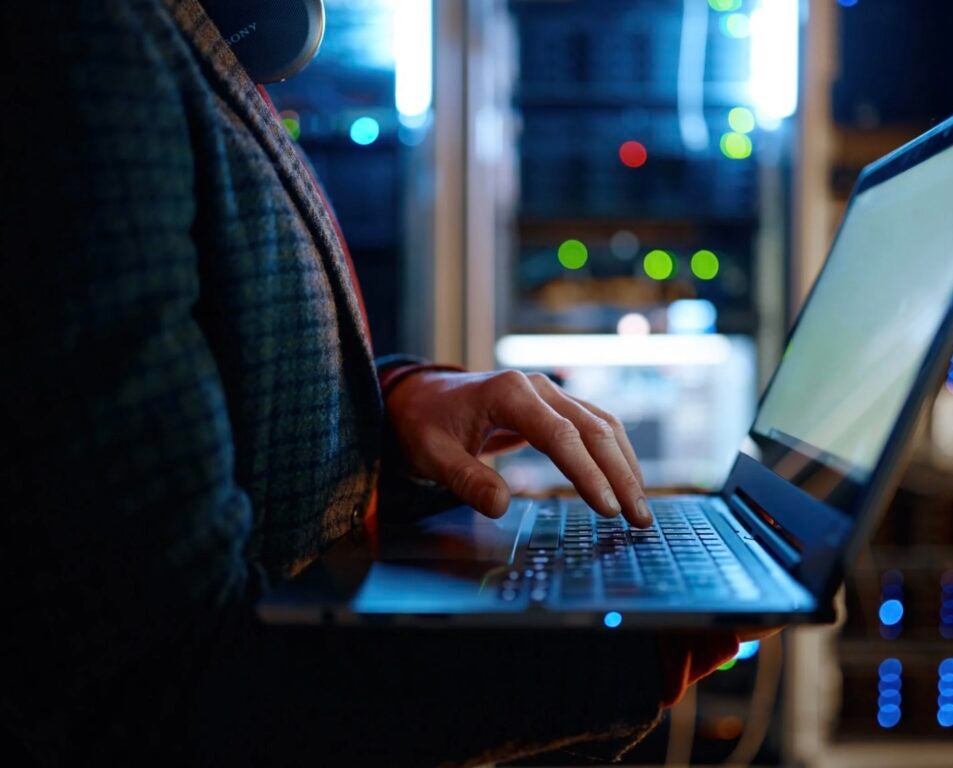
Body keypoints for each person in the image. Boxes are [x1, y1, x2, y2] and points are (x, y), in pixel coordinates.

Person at [1, 0, 759, 763]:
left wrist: (396, 407)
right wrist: (636, 649)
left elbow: (230, 381)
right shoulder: (84, 40)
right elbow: (174, 684)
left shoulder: (163, 38)